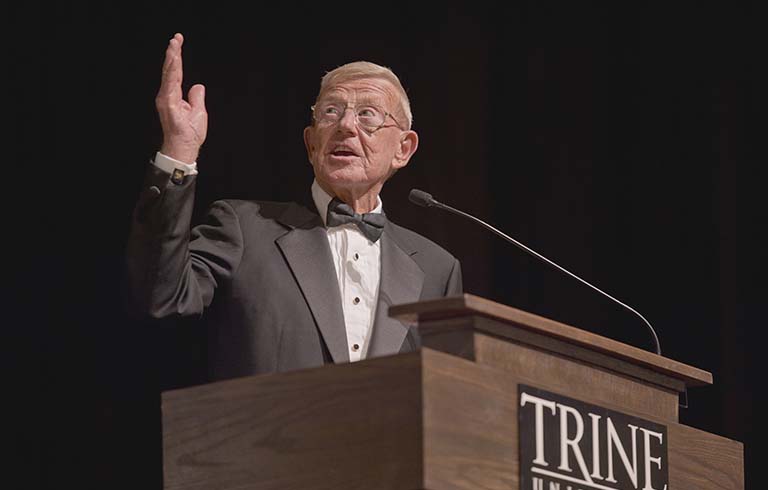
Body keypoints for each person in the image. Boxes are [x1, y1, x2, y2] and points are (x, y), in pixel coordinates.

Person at [126, 33, 463, 381]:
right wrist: (179, 150)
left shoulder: (438, 270)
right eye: (331, 111)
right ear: (310, 143)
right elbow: (161, 298)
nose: (346, 125)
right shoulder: (244, 228)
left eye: (368, 115)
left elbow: (451, 395)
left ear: (403, 149)